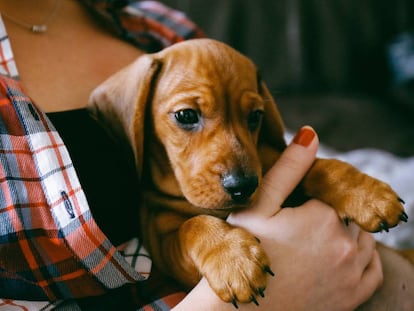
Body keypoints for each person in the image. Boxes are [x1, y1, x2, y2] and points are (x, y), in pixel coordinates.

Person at [0, 1, 412, 310]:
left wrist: (333, 177)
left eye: (252, 118)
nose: (235, 168)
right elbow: (172, 241)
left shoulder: (158, 27)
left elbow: (281, 157)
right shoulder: (164, 201)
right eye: (187, 117)